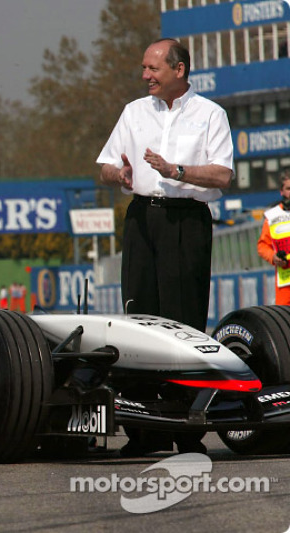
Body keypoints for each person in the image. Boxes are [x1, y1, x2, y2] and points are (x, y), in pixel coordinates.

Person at [97, 38, 233, 456]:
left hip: (186, 222)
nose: (145, 76)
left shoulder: (211, 114)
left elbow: (223, 175)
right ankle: (145, 433)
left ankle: (188, 432)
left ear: (180, 70)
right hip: (141, 220)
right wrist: (116, 173)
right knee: (139, 322)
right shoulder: (134, 112)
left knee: (184, 322)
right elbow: (103, 163)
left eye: (153, 69)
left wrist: (177, 170)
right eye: (143, 68)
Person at [257, 170, 290, 305]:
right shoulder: (272, 216)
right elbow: (262, 246)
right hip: (286, 282)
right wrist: (273, 257)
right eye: (289, 188)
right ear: (281, 191)